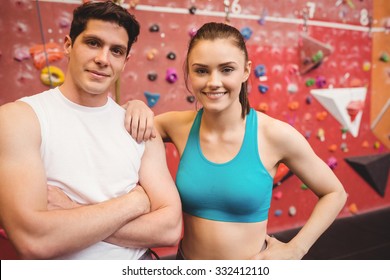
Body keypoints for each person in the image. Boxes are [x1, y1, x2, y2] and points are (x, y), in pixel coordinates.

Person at [123, 22, 347, 260]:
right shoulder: (177, 126)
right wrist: (135, 105)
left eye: (227, 69)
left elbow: (335, 193)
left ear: (246, 70)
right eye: (201, 71)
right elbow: (135, 123)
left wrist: (296, 248)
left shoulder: (274, 135)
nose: (213, 82)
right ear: (189, 72)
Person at [0, 1, 182, 260]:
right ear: (68, 45)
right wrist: (135, 203)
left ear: (126, 60)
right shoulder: (20, 119)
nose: (102, 59)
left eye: (116, 50)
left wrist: (73, 211)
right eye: (93, 43)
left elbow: (169, 229)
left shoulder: (138, 126)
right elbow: (34, 240)